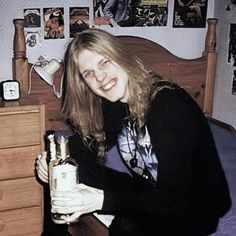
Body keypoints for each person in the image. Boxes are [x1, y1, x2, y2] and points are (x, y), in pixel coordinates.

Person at [36, 28, 231, 236]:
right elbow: (87, 148)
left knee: (125, 226)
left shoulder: (169, 105)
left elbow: (176, 199)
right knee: (65, 168)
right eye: (89, 73)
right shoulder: (116, 102)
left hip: (194, 206)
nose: (100, 77)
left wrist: (101, 199)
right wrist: (54, 161)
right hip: (152, 190)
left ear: (121, 57)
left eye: (104, 62)